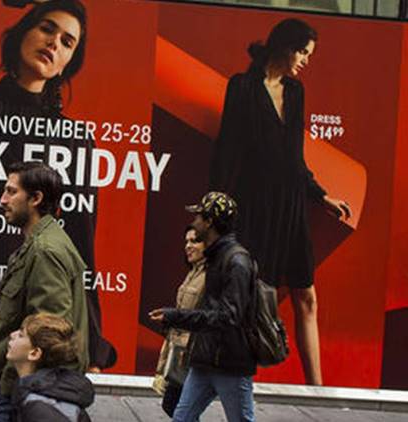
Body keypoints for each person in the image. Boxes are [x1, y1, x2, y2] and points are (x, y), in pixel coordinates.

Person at [0, 0, 115, 372]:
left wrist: (90, 344)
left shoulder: (74, 141)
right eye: (47, 28)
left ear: (68, 63)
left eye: (67, 42)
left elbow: (80, 250)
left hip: (39, 315)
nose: (54, 43)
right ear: (21, 34)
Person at [208, 18, 351, 386]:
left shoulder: (296, 91)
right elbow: (227, 150)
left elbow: (295, 157)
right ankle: (243, 384)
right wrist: (214, 207)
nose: (305, 60)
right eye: (302, 51)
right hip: (254, 205)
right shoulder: (241, 87)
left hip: (291, 207)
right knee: (252, 299)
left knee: (307, 297)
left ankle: (316, 387)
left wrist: (320, 195)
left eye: (308, 54)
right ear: (284, 45)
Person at [0, 161, 89, 422]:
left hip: (29, 389)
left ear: (36, 198)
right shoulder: (40, 244)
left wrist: (22, 383)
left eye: (11, 191)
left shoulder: (45, 251)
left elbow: (49, 331)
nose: (2, 199)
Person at [150, 191, 256, 422]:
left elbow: (228, 317)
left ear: (209, 222)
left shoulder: (236, 261)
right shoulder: (214, 258)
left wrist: (177, 317)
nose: (194, 222)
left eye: (199, 217)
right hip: (204, 360)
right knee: (182, 418)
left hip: (230, 363)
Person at [151, 226, 207, 417]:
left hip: (193, 354)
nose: (188, 246)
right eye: (187, 241)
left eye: (194, 241)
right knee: (174, 406)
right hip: (179, 353)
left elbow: (205, 317)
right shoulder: (193, 272)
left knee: (180, 409)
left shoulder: (211, 276)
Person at [7, 313, 94, 422]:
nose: (12, 335)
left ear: (34, 353)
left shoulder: (38, 407)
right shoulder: (39, 395)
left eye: (21, 335)